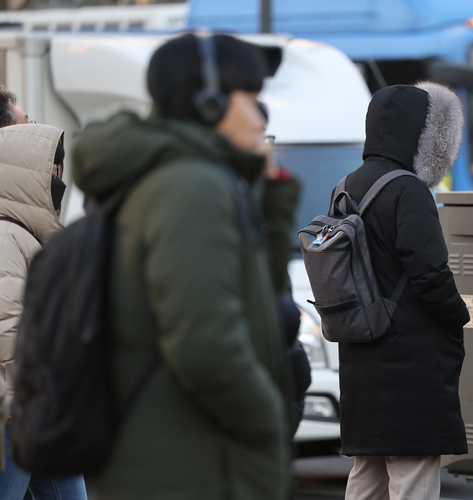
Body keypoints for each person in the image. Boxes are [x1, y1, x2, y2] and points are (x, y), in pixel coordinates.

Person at [71, 33, 292, 499]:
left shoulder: (185, 176)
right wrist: (267, 418)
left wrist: (271, 192)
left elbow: (261, 301)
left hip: (177, 459)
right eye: (249, 100)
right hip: (190, 467)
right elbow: (204, 345)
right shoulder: (190, 186)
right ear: (209, 103)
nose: (259, 117)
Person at [338, 83, 470, 500]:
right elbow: (430, 274)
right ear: (421, 133)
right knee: (413, 476)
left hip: (362, 354)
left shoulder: (346, 185)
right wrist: (459, 315)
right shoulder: (408, 189)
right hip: (410, 364)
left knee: (368, 473)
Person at [0, 121, 87, 499]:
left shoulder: (23, 233)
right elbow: (7, 328)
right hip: (18, 410)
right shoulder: (5, 235)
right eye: (51, 167)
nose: (57, 176)